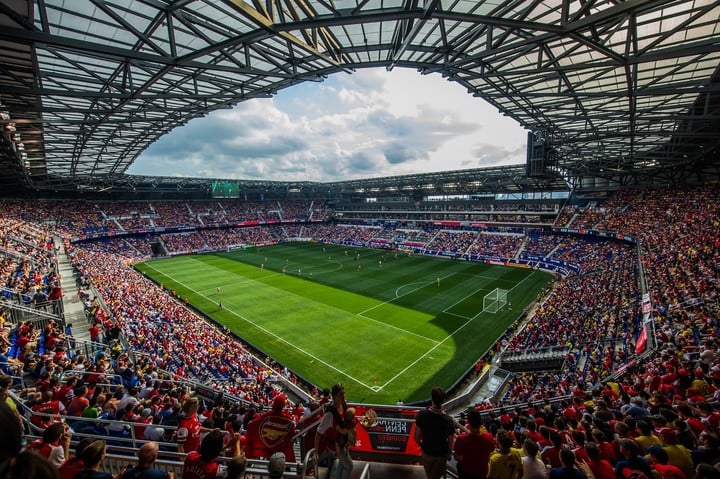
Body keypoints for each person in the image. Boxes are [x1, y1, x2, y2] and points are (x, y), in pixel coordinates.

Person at [414, 387, 456, 479]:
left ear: (432, 399)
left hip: (427, 451)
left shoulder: (422, 414)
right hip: (441, 454)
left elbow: (416, 437)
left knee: (429, 475)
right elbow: (450, 442)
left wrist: (422, 446)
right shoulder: (448, 420)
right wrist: (448, 453)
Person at [314, 383, 352, 479]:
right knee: (349, 466)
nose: (343, 396)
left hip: (342, 441)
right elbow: (319, 432)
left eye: (344, 394)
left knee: (342, 464)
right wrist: (315, 451)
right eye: (340, 395)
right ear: (334, 396)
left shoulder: (343, 405)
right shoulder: (330, 414)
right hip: (335, 445)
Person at [453, 409, 495, 479]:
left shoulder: (461, 438)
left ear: (468, 423)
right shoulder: (489, 437)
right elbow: (491, 450)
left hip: (465, 472)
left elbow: (457, 458)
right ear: (480, 422)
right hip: (482, 473)